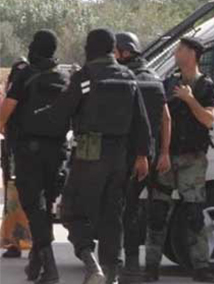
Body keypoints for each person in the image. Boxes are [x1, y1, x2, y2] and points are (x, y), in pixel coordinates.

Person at [44, 28, 152, 284]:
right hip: (120, 158)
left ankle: (93, 266)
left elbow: (60, 113)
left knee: (71, 212)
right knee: (112, 216)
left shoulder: (85, 77)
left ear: (90, 48)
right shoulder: (128, 76)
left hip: (89, 157)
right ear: (113, 48)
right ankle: (111, 275)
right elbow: (141, 121)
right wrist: (142, 155)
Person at [144, 37, 214, 283]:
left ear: (192, 53)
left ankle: (201, 268)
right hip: (167, 157)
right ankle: (151, 268)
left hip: (192, 159)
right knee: (157, 213)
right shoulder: (167, 84)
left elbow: (209, 120)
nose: (176, 53)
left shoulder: (206, 86)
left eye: (180, 49)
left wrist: (190, 100)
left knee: (195, 214)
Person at [0, 31, 70, 284]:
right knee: (46, 205)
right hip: (58, 151)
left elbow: (5, 111)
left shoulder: (25, 75)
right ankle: (36, 263)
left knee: (33, 207)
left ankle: (49, 267)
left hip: (29, 152)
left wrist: (7, 131)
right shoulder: (64, 76)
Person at [114, 32, 171, 284]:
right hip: (156, 156)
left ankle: (131, 263)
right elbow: (167, 119)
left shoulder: (126, 80)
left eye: (115, 52)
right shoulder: (156, 79)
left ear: (125, 52)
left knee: (128, 209)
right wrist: (165, 152)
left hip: (131, 157)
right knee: (156, 211)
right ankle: (151, 268)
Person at [0, 57, 33, 261]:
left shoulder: (15, 89)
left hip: (15, 149)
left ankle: (16, 242)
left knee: (14, 197)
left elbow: (3, 120)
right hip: (34, 149)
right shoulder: (34, 87)